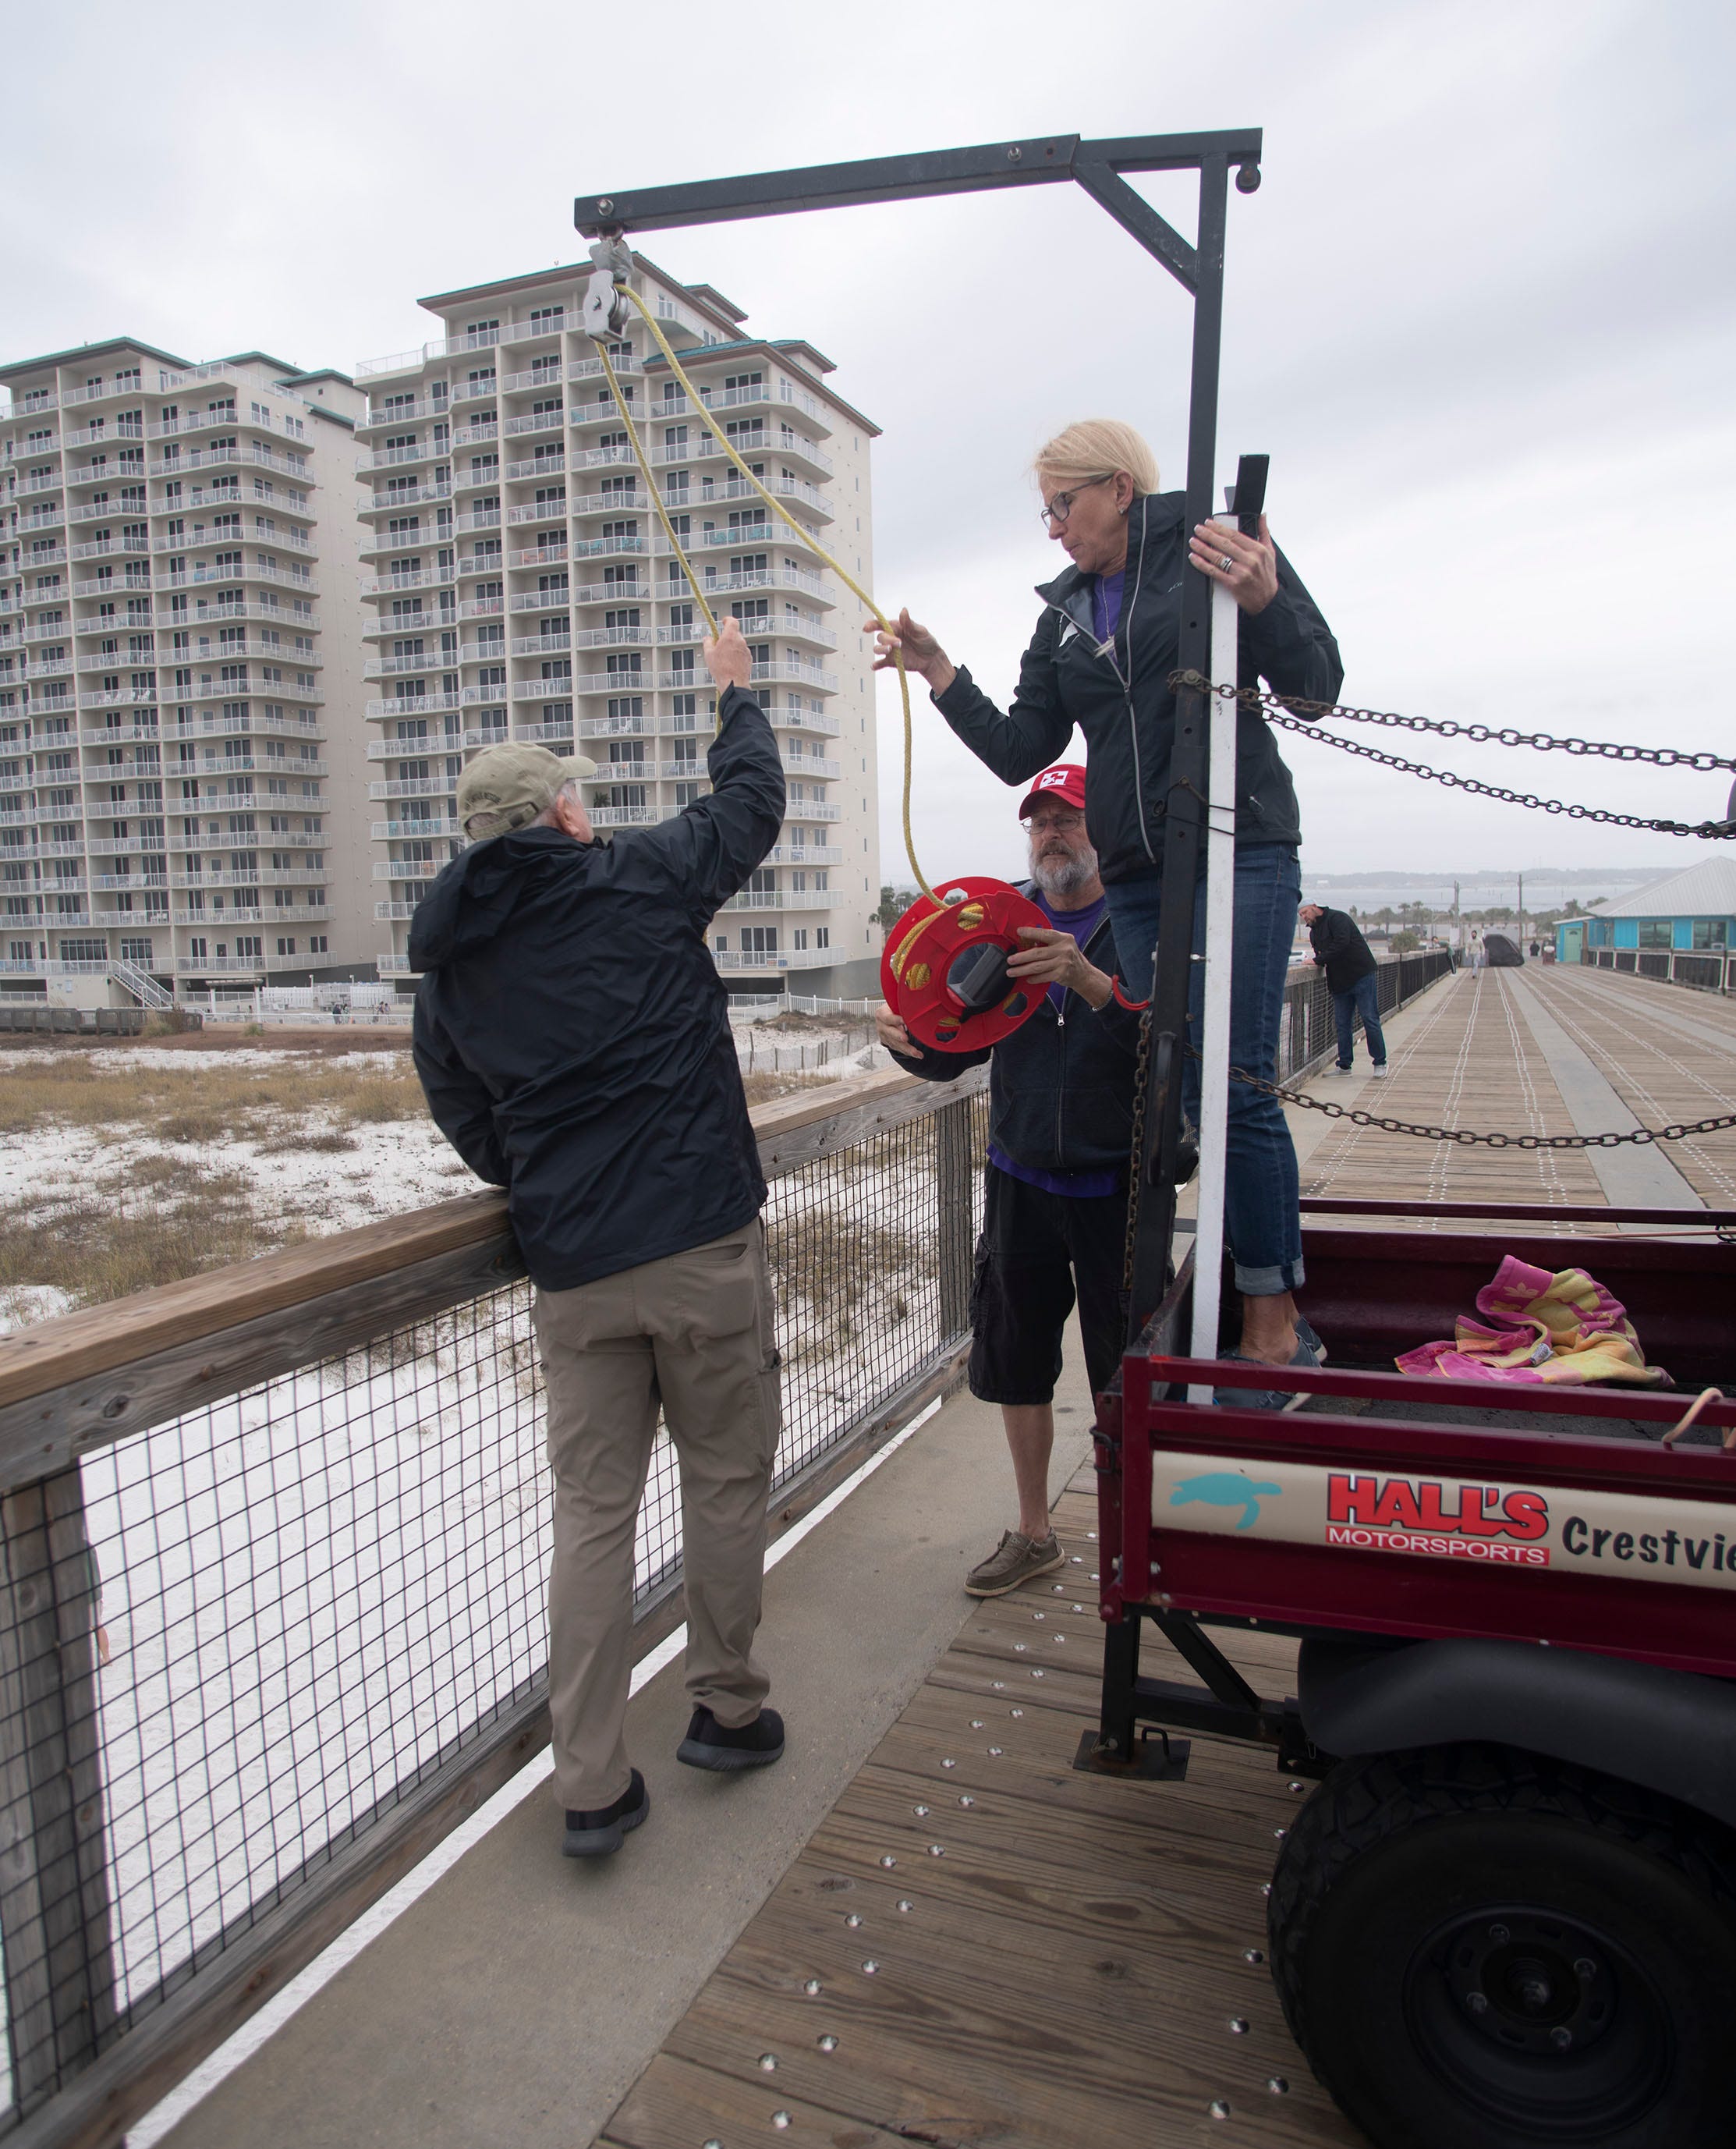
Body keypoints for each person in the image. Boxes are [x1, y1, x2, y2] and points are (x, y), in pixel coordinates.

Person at [409, 618, 788, 1861]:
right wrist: (732, 692)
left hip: (575, 1275)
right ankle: (725, 1712)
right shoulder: (637, 875)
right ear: (561, 816)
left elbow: (468, 1117)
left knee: (592, 1517)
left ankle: (588, 1786)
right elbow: (750, 803)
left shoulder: (454, 967)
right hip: (697, 1249)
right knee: (725, 1482)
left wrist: (552, 1185)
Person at [867, 418, 1342, 1374]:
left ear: (1119, 489)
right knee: (1171, 1074)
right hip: (1137, 873)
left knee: (1236, 1084)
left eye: (1064, 506)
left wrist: (1266, 597)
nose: (1053, 529)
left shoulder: (1216, 548)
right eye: (1045, 513)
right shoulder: (1066, 615)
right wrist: (937, 672)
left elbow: (1318, 685)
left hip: (1240, 844)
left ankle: (1272, 1310)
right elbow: (1020, 750)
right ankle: (1180, 1298)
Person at [877, 766, 1142, 1592]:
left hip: (1120, 1187)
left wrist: (1090, 982)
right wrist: (905, 1037)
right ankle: (1035, 1532)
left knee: (1128, 1372)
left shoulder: (1139, 920)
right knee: (1018, 1363)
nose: (1053, 834)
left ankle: (1132, 1543)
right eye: (1039, 823)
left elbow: (1175, 1052)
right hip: (1021, 1176)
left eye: (1068, 819)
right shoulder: (999, 924)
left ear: (1102, 829)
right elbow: (959, 1041)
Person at [1300, 902, 1387, 1076]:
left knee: (1370, 1019)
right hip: (1339, 982)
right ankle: (1344, 1065)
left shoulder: (1338, 918)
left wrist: (1318, 960)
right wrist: (1317, 960)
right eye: (1301, 915)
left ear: (1314, 906)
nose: (1304, 917)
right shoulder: (1314, 932)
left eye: (1304, 912)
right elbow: (1322, 955)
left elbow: (1341, 944)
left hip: (1360, 975)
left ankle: (1380, 1062)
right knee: (1342, 1024)